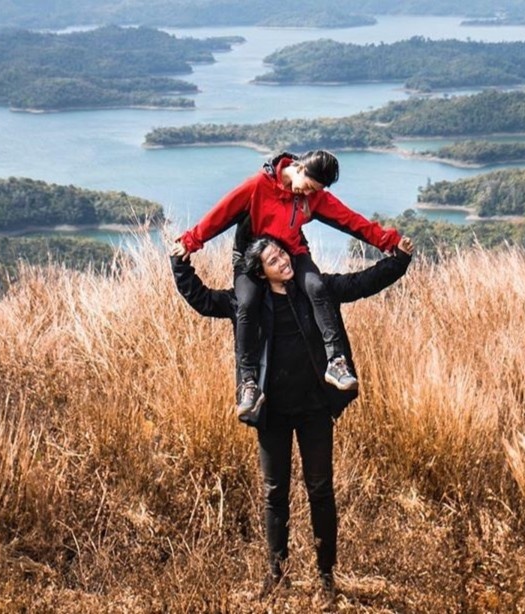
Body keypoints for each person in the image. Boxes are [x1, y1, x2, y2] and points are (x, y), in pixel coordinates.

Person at [170, 235, 414, 604]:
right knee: (274, 494)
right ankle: (276, 575)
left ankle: (326, 577)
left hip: (315, 408)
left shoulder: (316, 291)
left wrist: (399, 260)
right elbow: (202, 300)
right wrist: (180, 263)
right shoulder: (247, 302)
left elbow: (363, 283)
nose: (282, 260)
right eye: (272, 259)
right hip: (273, 412)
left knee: (320, 490)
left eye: (282, 253)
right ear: (261, 272)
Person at [169, 150, 402, 419]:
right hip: (251, 259)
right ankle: (248, 383)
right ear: (300, 168)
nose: (308, 193)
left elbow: (350, 221)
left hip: (291, 254)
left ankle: (336, 362)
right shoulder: (258, 186)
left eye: (315, 190)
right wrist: (189, 242)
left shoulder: (313, 196)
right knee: (246, 303)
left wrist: (388, 242)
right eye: (309, 186)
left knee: (316, 287)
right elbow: (220, 214)